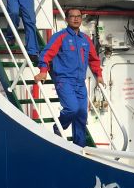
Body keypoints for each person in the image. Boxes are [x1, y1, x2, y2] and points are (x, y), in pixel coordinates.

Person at [34, 8, 104, 147]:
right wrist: (43, 71)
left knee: (82, 114)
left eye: (78, 16)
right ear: (66, 19)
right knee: (72, 108)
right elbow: (46, 54)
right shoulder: (60, 37)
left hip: (80, 82)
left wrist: (99, 75)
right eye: (72, 16)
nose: (76, 19)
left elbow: (94, 59)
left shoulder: (85, 39)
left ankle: (80, 146)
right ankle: (58, 126)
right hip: (64, 80)